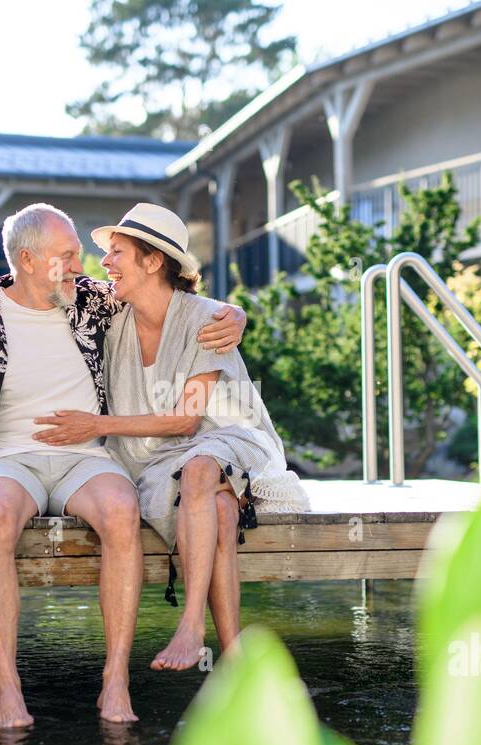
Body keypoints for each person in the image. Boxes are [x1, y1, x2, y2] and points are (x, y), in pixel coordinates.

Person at [0, 203, 246, 726]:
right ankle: (9, 691)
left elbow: (173, 301)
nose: (83, 263)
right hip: (7, 460)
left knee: (121, 511)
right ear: (27, 260)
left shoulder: (93, 302)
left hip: (84, 458)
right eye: (67, 254)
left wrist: (234, 315)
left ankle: (115, 681)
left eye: (80, 252)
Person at [32, 204, 308, 671]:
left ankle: (190, 626)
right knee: (219, 506)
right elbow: (39, 286)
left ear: (154, 260)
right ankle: (235, 656)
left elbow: (185, 421)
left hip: (227, 438)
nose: (106, 263)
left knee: (202, 469)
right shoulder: (109, 311)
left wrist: (95, 425)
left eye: (117, 252)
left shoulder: (205, 319)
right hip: (151, 459)